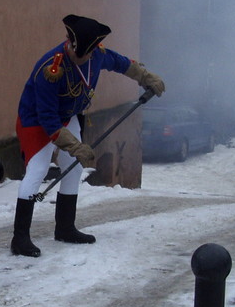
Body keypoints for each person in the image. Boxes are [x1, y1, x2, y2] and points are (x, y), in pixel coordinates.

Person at [11, 14, 165, 257]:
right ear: (69, 42)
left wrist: (147, 77)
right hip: (37, 121)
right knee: (38, 169)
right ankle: (19, 239)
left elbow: (123, 64)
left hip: (68, 114)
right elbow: (48, 119)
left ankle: (65, 228)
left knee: (73, 166)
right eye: (75, 51)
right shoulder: (50, 68)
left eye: (83, 54)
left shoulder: (98, 55)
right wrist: (75, 145)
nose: (78, 56)